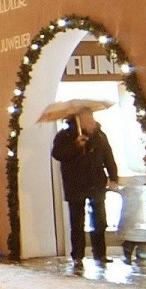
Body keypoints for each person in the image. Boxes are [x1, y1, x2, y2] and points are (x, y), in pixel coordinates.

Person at [51, 109, 118, 268]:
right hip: (75, 184)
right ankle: (78, 256)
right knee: (77, 222)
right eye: (88, 119)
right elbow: (58, 154)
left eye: (92, 118)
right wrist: (76, 145)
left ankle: (100, 253)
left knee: (100, 220)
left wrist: (113, 176)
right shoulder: (65, 136)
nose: (92, 122)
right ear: (79, 120)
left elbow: (108, 156)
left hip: (96, 183)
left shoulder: (100, 136)